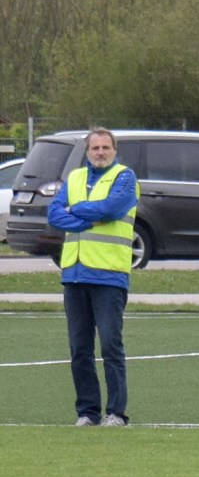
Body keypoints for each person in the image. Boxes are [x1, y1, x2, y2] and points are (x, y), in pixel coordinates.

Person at [47, 127, 137, 426]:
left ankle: (116, 412)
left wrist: (76, 210)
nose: (100, 152)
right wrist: (88, 221)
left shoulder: (125, 177)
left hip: (109, 274)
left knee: (110, 345)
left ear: (114, 150)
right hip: (74, 274)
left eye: (105, 147)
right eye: (95, 148)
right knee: (80, 349)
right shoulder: (74, 178)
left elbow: (111, 209)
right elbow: (54, 214)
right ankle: (87, 411)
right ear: (87, 151)